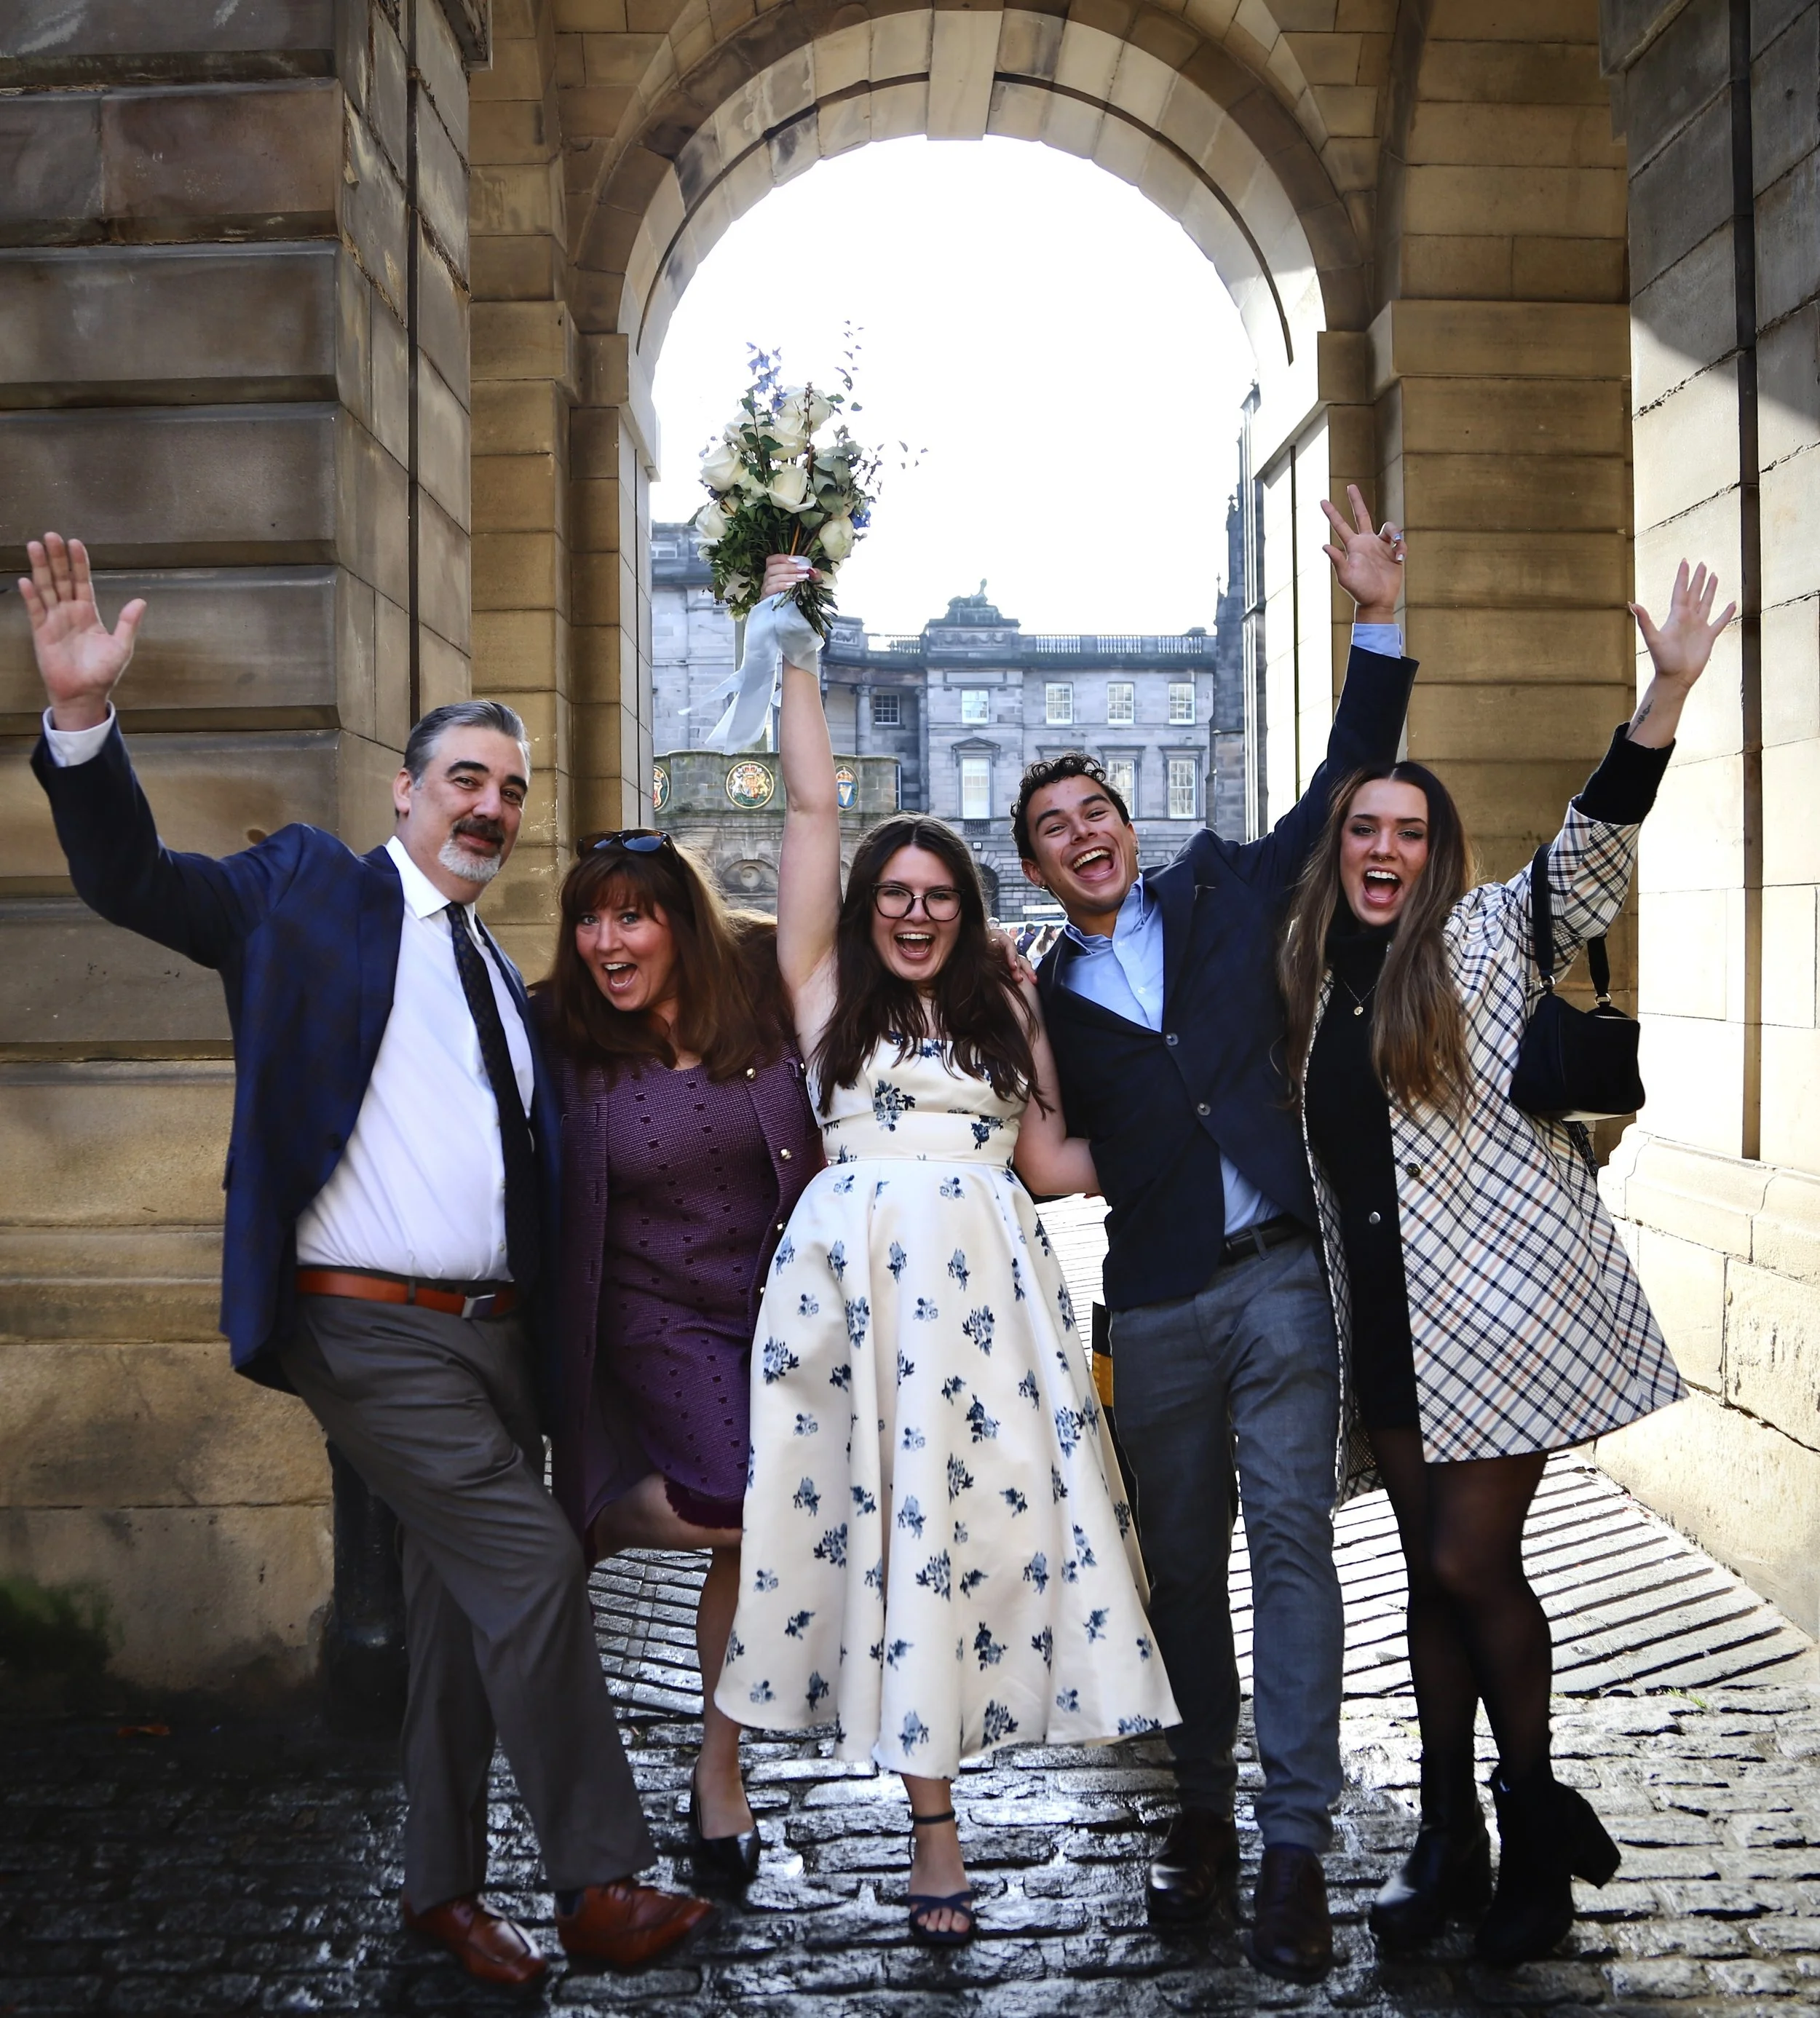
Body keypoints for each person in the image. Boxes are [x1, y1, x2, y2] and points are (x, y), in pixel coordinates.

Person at [18, 533, 712, 1988]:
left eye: (512, 790)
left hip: (494, 1341)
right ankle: (598, 1878)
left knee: (468, 1615)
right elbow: (138, 880)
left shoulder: (499, 987)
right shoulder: (303, 894)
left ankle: (440, 1894)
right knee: (528, 1567)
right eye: (465, 777)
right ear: (404, 791)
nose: (492, 806)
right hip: (362, 1327)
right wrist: (84, 721)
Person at [716, 555, 1177, 1947]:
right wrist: (794, 636)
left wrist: (1206, 1148)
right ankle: (924, 1825)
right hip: (853, 1300)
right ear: (864, 909)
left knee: (972, 1542)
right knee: (862, 1533)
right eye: (893, 893)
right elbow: (810, 804)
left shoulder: (1007, 1007)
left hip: (993, 1303)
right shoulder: (821, 992)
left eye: (938, 894)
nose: (915, 910)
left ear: (966, 908)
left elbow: (1046, 1163)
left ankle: (957, 1777)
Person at [1278, 561, 1725, 1966]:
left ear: (1435, 852)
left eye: (1412, 828)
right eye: (1368, 823)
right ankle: (1451, 1837)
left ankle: (1529, 1829)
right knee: (1431, 1579)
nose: (1388, 846)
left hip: (1500, 1321)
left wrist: (1659, 697)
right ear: (1340, 841)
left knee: (1475, 1567)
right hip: (1388, 1330)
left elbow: (1590, 851)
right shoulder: (1305, 972)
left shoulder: (1477, 939)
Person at [1013, 487, 1417, 1982]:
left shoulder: (1223, 890)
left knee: (1292, 1551)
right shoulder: (1043, 993)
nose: (1083, 836)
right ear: (1042, 867)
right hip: (1157, 1307)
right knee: (1179, 1571)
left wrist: (1375, 618)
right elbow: (1048, 1156)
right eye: (1053, 831)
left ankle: (1295, 1847)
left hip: (1278, 1287)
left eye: (1094, 812)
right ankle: (1197, 1813)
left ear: (1124, 824)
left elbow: (1340, 789)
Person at [539, 830, 822, 1886]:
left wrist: (1004, 978)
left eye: (631, 917)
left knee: (753, 1537)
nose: (605, 941)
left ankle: (719, 1772)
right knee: (745, 1504)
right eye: (589, 918)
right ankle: (600, 1512)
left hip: (775, 1309)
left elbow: (899, 963)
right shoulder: (555, 1029)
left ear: (679, 925)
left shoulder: (760, 987)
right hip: (651, 1311)